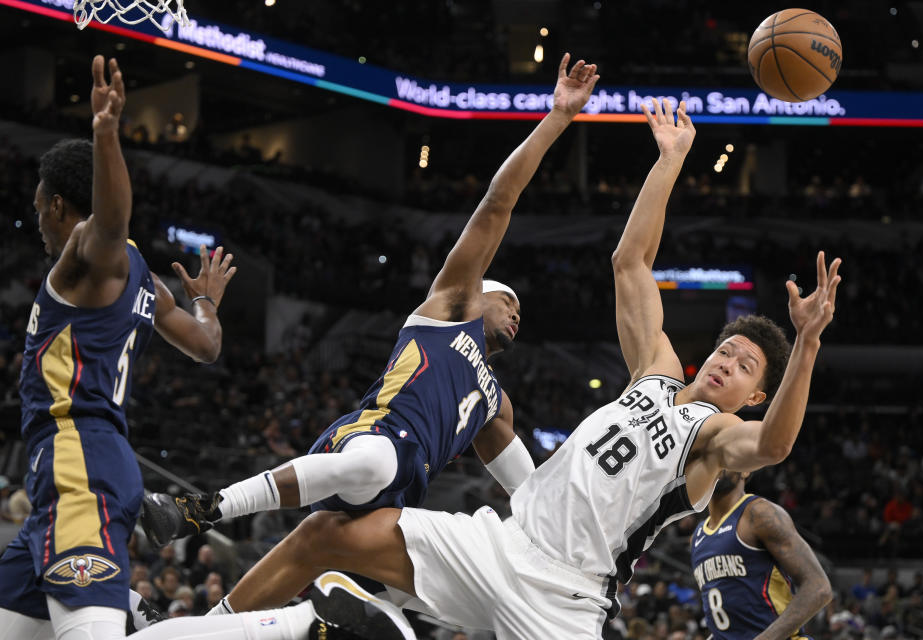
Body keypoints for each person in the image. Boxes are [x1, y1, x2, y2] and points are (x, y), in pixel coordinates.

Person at [125, 97, 841, 640]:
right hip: (499, 541)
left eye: (745, 366)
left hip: (566, 597)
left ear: (755, 395)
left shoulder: (713, 442)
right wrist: (667, 164)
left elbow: (774, 447)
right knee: (323, 535)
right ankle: (198, 629)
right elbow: (631, 262)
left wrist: (805, 343)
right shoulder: (653, 368)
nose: (727, 362)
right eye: (725, 349)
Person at [141, 54, 600, 560]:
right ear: (479, 293)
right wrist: (558, 117)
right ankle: (200, 508)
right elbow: (498, 202)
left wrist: (579, 539)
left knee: (388, 598)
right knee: (375, 464)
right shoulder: (448, 309)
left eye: (520, 311)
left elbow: (531, 493)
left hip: (403, 496)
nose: (517, 313)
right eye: (507, 300)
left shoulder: (496, 402)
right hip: (374, 439)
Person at [0, 55, 237, 640]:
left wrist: (106, 133)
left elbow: (109, 220)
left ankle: (288, 626)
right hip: (64, 477)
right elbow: (206, 346)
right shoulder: (144, 280)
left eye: (38, 208)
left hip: (80, 466)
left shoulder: (92, 252)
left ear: (58, 205)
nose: (37, 221)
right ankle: (130, 606)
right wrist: (205, 302)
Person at [691, 471, 832, 640]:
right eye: (714, 458)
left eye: (726, 457)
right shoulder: (697, 537)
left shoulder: (758, 513)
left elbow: (819, 588)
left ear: (745, 469)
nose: (719, 465)